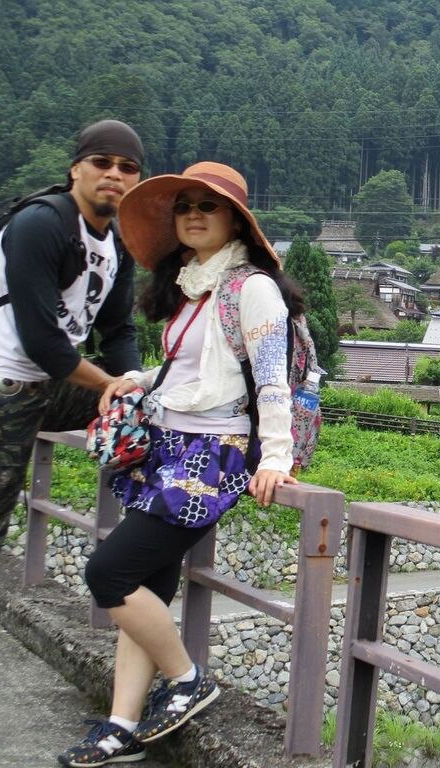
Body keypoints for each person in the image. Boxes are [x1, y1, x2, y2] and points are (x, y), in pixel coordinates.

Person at [58, 162, 302, 767]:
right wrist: (134, 379)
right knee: (145, 589)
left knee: (109, 575)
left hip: (212, 456)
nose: (193, 214)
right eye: (184, 205)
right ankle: (122, 726)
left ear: (236, 221)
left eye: (207, 205)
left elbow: (271, 377)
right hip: (168, 446)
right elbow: (188, 372)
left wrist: (276, 456)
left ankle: (188, 680)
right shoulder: (194, 286)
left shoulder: (252, 288)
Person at [0, 120, 144, 750]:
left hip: (44, 387)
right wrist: (110, 385)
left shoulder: (116, 245)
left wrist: (132, 386)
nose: (114, 175)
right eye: (102, 162)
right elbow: (43, 341)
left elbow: (119, 330)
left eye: (127, 168)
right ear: (76, 168)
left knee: (153, 411)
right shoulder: (42, 224)